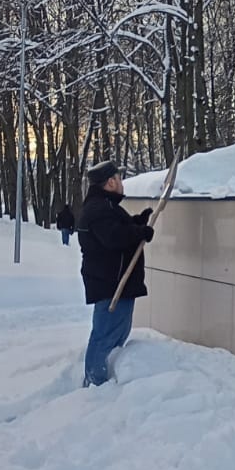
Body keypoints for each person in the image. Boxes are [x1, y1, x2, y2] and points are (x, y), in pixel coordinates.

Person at [77, 161, 154, 387]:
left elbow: (116, 229)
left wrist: (136, 223)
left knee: (115, 336)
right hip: (112, 285)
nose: (121, 183)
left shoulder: (102, 206)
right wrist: (139, 232)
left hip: (114, 283)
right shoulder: (100, 209)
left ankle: (102, 382)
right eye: (119, 179)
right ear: (110, 182)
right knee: (105, 337)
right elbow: (113, 238)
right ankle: (95, 385)